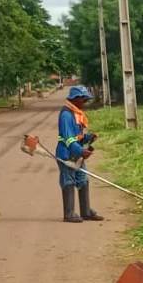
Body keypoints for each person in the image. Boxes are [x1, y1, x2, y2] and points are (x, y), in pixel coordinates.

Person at [55, 85, 104, 223]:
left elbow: (77, 136)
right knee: (69, 181)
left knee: (83, 179)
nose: (85, 103)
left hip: (77, 155)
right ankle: (69, 214)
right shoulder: (66, 115)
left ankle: (86, 211)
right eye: (83, 100)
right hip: (66, 154)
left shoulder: (76, 113)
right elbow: (69, 139)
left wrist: (88, 138)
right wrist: (81, 151)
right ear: (76, 99)